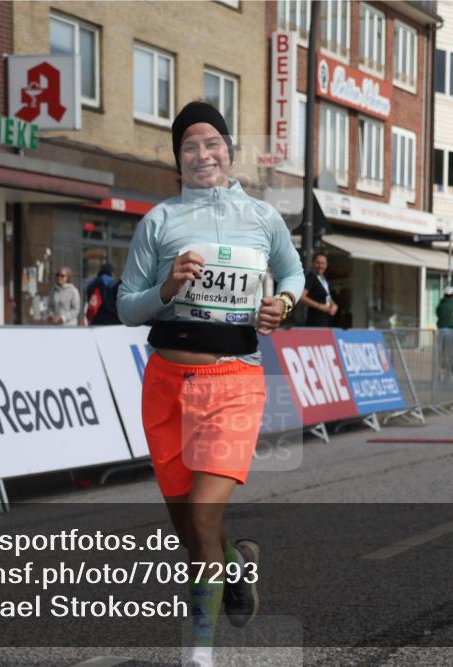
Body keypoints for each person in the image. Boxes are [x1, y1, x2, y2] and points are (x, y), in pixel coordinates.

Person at [117, 100, 305, 667]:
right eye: (189, 147)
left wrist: (285, 302)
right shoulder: (160, 221)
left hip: (235, 380)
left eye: (211, 143)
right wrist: (167, 289)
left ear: (228, 149)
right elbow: (128, 308)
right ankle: (237, 562)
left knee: (202, 517)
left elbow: (292, 270)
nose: (202, 155)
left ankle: (200, 653)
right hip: (166, 383)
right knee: (189, 531)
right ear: (178, 159)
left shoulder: (262, 218)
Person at [299, 252, 337, 327]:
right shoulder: (311, 277)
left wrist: (334, 305)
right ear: (313, 263)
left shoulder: (323, 279)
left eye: (323, 263)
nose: (320, 266)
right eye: (318, 263)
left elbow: (327, 297)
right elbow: (301, 297)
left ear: (326, 265)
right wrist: (320, 306)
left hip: (325, 320)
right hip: (315, 321)